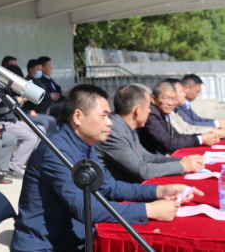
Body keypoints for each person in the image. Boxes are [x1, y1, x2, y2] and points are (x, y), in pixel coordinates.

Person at [11, 84, 202, 252]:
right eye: (103, 116)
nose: (109, 122)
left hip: (72, 236)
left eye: (109, 116)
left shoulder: (84, 143)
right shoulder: (56, 151)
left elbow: (109, 186)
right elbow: (86, 208)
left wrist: (159, 191)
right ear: (78, 116)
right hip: (47, 245)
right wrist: (148, 210)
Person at [95, 84, 204, 183]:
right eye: (148, 107)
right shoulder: (113, 131)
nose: (149, 111)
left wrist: (183, 161)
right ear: (138, 110)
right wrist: (181, 166)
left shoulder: (126, 126)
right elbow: (141, 170)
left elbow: (148, 157)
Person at [0, 63, 40, 179]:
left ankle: (33, 163)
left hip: (13, 121)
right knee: (31, 138)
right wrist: (15, 101)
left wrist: (20, 101)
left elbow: (16, 108)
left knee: (40, 130)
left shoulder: (9, 88)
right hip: (1, 122)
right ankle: (14, 168)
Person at [138, 81, 219, 156]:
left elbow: (177, 135)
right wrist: (200, 139)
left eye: (173, 99)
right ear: (153, 99)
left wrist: (202, 137)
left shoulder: (163, 113)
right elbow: (168, 143)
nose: (170, 103)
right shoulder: (151, 115)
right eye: (165, 98)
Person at [22, 59, 57, 132]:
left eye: (41, 69)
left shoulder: (39, 80)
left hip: (48, 105)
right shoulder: (27, 82)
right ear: (31, 70)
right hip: (40, 109)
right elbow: (36, 94)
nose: (41, 71)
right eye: (38, 70)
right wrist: (49, 96)